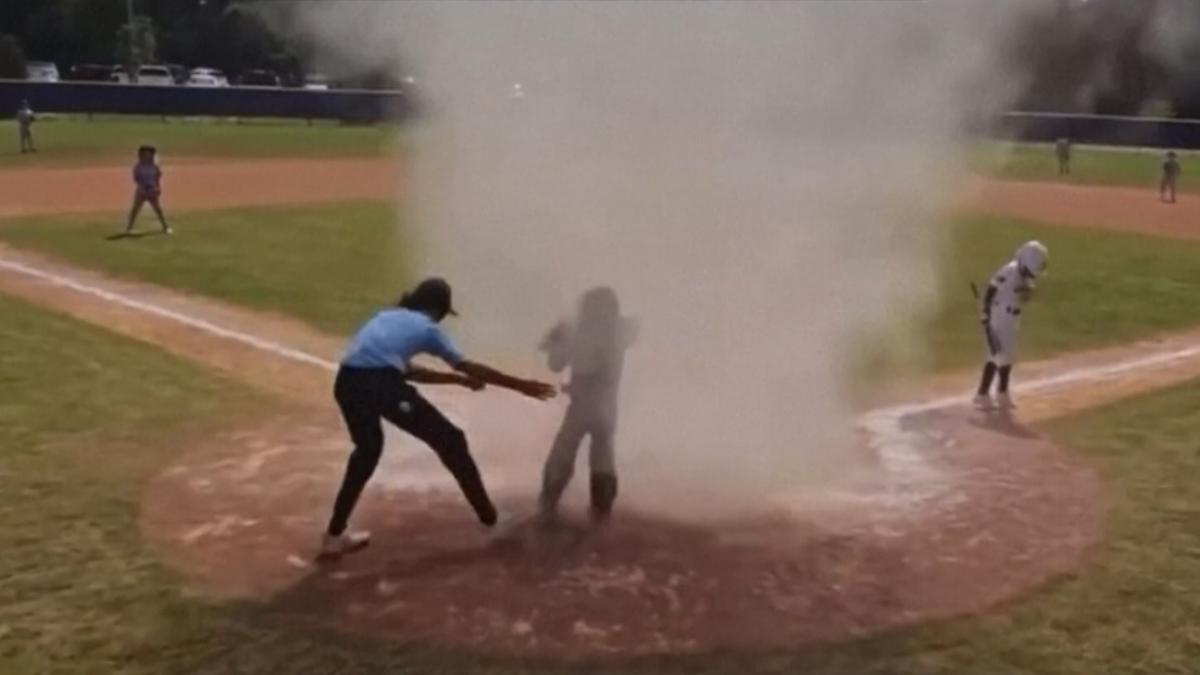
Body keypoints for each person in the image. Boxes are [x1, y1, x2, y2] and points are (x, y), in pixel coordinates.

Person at [321, 277, 558, 558]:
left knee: (367, 451)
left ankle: (334, 535)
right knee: (451, 440)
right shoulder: (428, 329)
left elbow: (406, 372)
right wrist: (521, 385)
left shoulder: (385, 316)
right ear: (440, 309)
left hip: (347, 382)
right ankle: (490, 520)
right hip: (379, 384)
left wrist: (456, 381)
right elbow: (467, 366)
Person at [536, 287, 637, 523]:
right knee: (603, 455)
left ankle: (548, 507)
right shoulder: (620, 331)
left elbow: (556, 365)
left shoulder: (581, 334)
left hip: (583, 405)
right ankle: (601, 513)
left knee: (564, 451)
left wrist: (556, 341)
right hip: (607, 408)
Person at [974, 241, 1049, 411]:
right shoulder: (1009, 270)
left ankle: (1002, 393)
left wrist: (1026, 293)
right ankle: (982, 394)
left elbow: (1023, 295)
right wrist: (985, 312)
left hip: (1013, 317)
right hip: (999, 316)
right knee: (996, 354)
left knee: (1008, 356)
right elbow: (991, 289)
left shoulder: (1025, 275)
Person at [123, 145, 172, 235]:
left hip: (152, 190)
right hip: (141, 191)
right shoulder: (138, 166)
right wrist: (141, 187)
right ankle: (129, 228)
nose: (148, 156)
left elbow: (158, 177)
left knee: (158, 209)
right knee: (135, 209)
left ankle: (166, 227)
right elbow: (136, 178)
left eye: (150, 154)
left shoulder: (155, 166)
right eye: (145, 154)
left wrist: (158, 187)